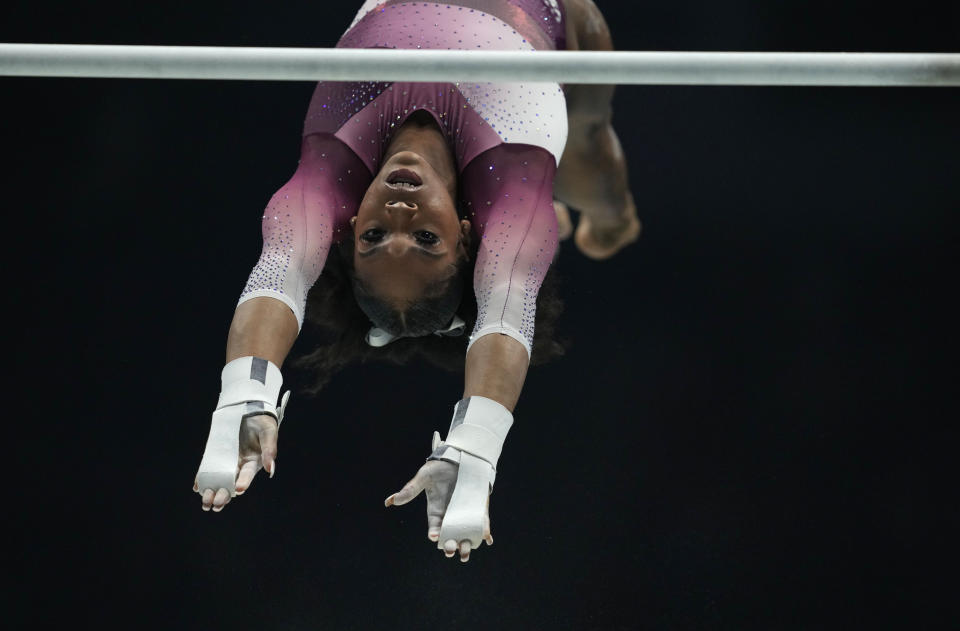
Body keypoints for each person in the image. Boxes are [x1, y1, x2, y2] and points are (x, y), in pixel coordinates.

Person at [193, 0, 640, 563]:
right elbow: (506, 310)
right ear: (472, 239)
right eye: (427, 239)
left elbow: (281, 268)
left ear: (351, 223)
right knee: (595, 178)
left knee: (552, 193)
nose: (400, 211)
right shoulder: (513, 192)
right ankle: (601, 213)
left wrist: (244, 394)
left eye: (374, 236)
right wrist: (476, 449)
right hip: (561, 38)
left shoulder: (331, 168)